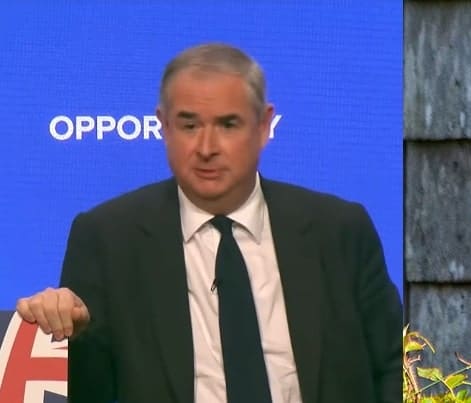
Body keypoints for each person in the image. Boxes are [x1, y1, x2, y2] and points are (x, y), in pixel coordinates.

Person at [15, 43, 402, 403]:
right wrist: (77, 333)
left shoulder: (340, 231)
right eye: (189, 125)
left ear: (264, 125)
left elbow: (390, 370)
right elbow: (92, 391)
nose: (206, 148)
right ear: (163, 126)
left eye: (228, 125)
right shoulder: (106, 238)